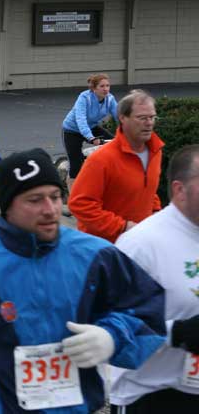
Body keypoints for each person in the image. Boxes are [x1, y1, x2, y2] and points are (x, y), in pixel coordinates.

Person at [0, 148, 167, 414]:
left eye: (55, 196)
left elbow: (148, 307)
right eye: (35, 200)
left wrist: (112, 336)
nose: (50, 209)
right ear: (9, 206)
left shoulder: (96, 256)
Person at [109, 145, 199, 412]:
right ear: (179, 189)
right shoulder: (140, 244)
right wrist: (178, 333)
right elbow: (110, 326)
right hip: (150, 394)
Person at [69, 89, 163, 243]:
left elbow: (147, 190)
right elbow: (80, 204)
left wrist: (157, 215)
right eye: (142, 118)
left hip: (140, 244)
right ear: (123, 118)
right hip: (105, 250)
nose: (149, 123)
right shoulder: (101, 159)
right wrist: (123, 227)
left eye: (152, 117)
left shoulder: (155, 152)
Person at [62, 74, 118, 193]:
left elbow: (119, 117)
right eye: (102, 86)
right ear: (94, 88)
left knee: (114, 145)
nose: (106, 89)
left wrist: (128, 132)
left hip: (92, 127)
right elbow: (80, 119)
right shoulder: (84, 97)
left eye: (108, 86)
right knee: (75, 165)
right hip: (72, 130)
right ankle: (73, 198)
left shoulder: (110, 99)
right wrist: (91, 138)